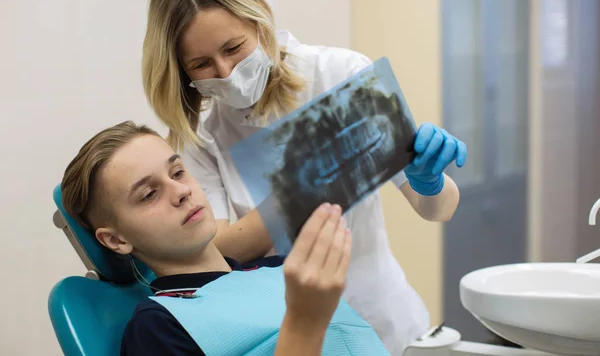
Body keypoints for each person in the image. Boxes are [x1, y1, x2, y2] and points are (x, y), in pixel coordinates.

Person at [141, 0, 468, 354]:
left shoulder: (340, 74)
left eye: (233, 48)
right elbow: (221, 248)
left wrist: (428, 180)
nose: (225, 72)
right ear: (181, 69)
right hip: (289, 332)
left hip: (383, 317)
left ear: (258, 21)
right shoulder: (200, 137)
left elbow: (436, 210)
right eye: (201, 64)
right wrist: (313, 180)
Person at [60, 121, 392, 356]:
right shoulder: (159, 327)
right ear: (116, 241)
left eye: (177, 172)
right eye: (149, 194)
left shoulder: (283, 269)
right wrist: (304, 324)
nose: (181, 191)